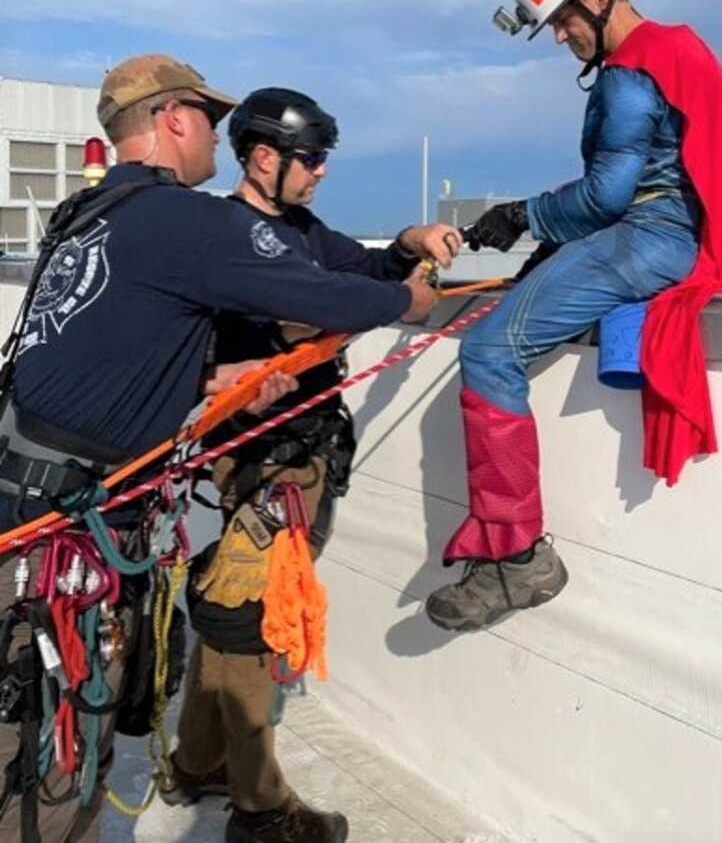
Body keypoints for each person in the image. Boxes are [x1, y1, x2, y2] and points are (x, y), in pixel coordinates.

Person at [0, 56, 451, 843]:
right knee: (56, 743)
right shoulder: (185, 220)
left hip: (30, 504)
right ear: (173, 118)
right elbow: (328, 295)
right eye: (207, 117)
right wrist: (406, 300)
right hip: (68, 542)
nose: (215, 134)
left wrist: (208, 376)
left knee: (39, 722)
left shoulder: (88, 215)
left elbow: (107, 346)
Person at [425, 0, 722, 633]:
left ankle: (516, 558)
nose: (561, 39)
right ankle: (512, 551)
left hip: (647, 240)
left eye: (564, 21)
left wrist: (522, 215)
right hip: (663, 238)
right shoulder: (674, 50)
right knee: (505, 334)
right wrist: (547, 242)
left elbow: (606, 197)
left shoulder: (630, 77)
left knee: (487, 350)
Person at [163, 88, 464, 843]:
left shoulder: (297, 229)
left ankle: (197, 762)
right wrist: (400, 300)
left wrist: (407, 244)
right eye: (312, 159)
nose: (322, 172)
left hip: (301, 452)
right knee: (249, 620)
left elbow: (354, 268)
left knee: (230, 609)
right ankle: (261, 809)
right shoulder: (224, 237)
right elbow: (320, 302)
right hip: (260, 461)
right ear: (263, 158)